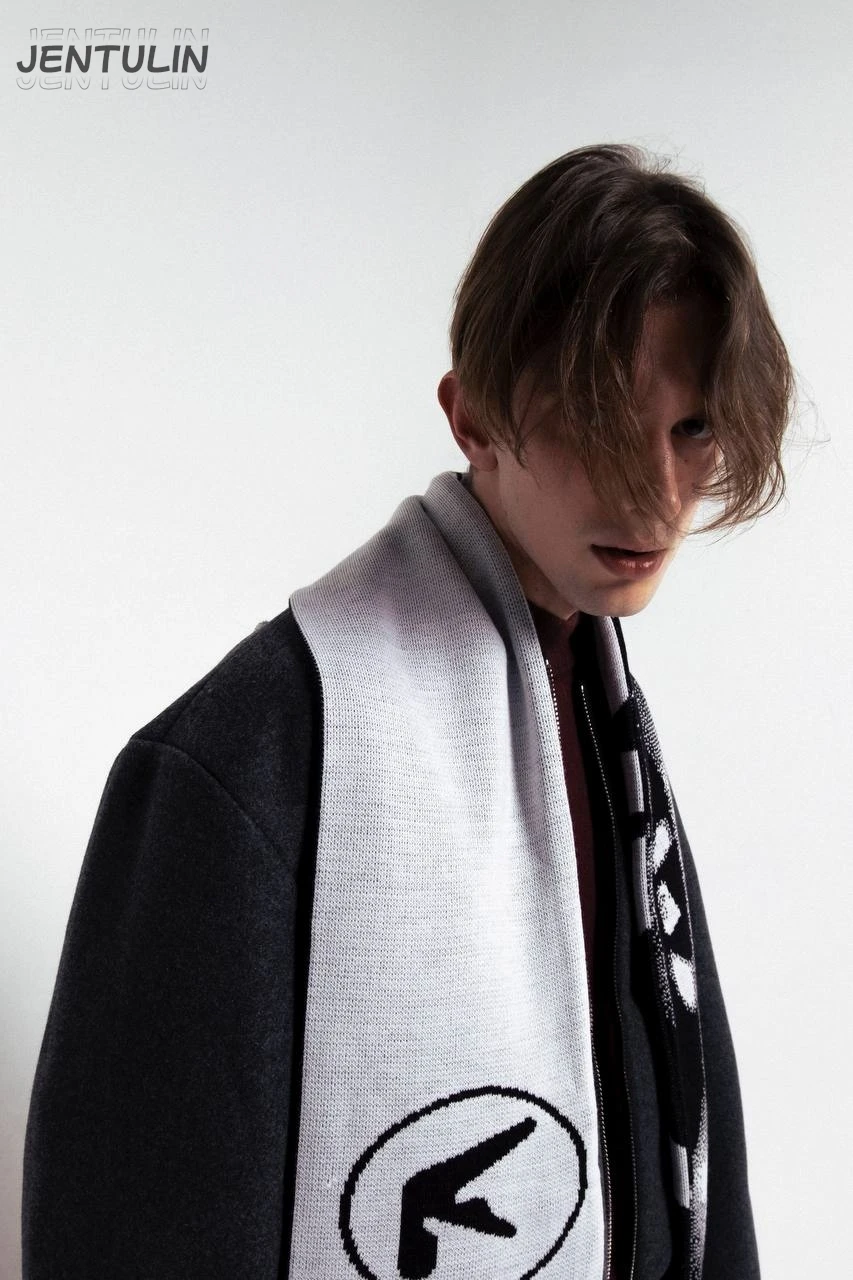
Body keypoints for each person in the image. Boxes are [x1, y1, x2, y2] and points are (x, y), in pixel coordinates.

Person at [22, 143, 794, 1280]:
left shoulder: (609, 720)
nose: (654, 493)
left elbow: (692, 1169)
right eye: (597, 421)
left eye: (691, 429)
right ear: (471, 414)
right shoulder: (251, 760)